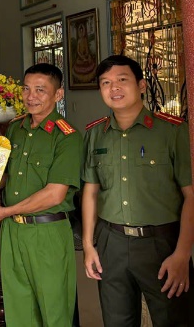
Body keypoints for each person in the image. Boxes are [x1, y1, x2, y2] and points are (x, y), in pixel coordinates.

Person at [82, 55, 193, 326]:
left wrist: (182, 254)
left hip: (162, 243)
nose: (114, 88)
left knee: (173, 319)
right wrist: (88, 245)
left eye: (122, 80)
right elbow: (91, 192)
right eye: (105, 83)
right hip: (111, 243)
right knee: (116, 320)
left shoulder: (173, 131)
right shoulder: (95, 134)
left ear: (141, 85)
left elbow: (191, 195)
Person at [0, 63, 82, 327]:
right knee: (19, 310)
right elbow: (4, 177)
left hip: (47, 233)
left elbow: (55, 194)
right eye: (26, 89)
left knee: (54, 311)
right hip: (13, 232)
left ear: (58, 94)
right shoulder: (15, 128)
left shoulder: (67, 137)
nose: (30, 96)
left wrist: (5, 212)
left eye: (40, 90)